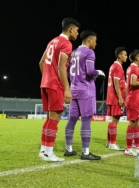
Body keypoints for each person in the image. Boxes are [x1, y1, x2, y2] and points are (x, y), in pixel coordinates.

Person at [38, 17, 80, 162]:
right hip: (55, 85)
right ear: (70, 29)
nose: (77, 33)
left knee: (50, 118)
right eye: (77, 30)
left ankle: (43, 151)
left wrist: (47, 77)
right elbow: (61, 67)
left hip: (45, 83)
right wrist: (67, 89)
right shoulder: (66, 44)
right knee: (55, 118)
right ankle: (49, 153)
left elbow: (41, 62)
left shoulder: (52, 41)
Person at [64, 30, 105, 160]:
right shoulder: (89, 52)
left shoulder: (74, 52)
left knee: (72, 119)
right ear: (89, 40)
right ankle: (85, 152)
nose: (96, 43)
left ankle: (68, 148)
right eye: (95, 41)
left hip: (74, 89)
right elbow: (90, 71)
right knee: (86, 119)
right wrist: (99, 72)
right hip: (85, 90)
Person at [106, 47, 128, 150]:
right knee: (115, 120)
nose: (126, 57)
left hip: (111, 96)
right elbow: (116, 82)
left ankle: (109, 142)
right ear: (119, 55)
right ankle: (112, 143)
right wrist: (120, 97)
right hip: (115, 97)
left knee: (112, 121)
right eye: (125, 55)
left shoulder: (113, 66)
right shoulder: (118, 67)